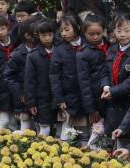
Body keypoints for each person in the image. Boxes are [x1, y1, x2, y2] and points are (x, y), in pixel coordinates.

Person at [101, 12, 130, 145]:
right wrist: (106, 87)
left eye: (126, 30)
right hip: (111, 104)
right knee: (112, 141)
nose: (122, 34)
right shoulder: (112, 50)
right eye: (118, 30)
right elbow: (105, 71)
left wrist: (114, 91)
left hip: (129, 103)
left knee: (128, 142)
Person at [50, 13, 87, 143]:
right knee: (68, 132)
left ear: (77, 27)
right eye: (61, 31)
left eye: (67, 29)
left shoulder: (87, 45)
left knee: (85, 132)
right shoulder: (59, 50)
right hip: (68, 97)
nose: (64, 33)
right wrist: (59, 98)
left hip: (85, 96)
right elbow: (54, 75)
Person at [76, 13, 109, 145]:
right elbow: (84, 83)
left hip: (112, 96)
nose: (95, 37)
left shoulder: (111, 47)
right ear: (84, 33)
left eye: (98, 33)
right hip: (96, 100)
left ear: (104, 31)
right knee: (97, 132)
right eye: (91, 34)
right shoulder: (82, 54)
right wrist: (91, 109)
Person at [24, 20, 58, 136]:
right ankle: (41, 152)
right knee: (45, 126)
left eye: (50, 35)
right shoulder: (33, 55)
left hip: (59, 96)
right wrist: (31, 102)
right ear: (38, 36)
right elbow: (29, 81)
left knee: (60, 127)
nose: (47, 38)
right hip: (42, 98)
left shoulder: (60, 50)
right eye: (43, 35)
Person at [4, 17, 37, 131]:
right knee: (26, 126)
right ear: (28, 35)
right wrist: (20, 93)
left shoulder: (40, 50)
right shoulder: (17, 54)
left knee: (39, 126)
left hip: (39, 96)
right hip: (24, 98)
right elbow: (8, 76)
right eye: (37, 32)